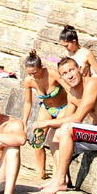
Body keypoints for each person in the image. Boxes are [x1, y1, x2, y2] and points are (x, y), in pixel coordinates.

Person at [37, 57, 97, 194]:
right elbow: (65, 119)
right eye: (65, 73)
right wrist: (46, 127)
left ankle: (60, 180)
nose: (69, 75)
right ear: (61, 78)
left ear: (79, 69)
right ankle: (60, 177)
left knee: (67, 129)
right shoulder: (72, 94)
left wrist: (46, 123)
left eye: (71, 70)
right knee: (53, 134)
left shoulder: (93, 84)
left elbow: (77, 118)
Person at [20, 51, 65, 181]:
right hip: (47, 108)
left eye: (35, 72)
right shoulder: (29, 81)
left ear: (41, 67)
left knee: (58, 136)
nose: (33, 76)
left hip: (63, 106)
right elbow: (28, 102)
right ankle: (41, 170)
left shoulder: (52, 74)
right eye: (29, 73)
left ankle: (59, 170)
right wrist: (24, 122)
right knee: (38, 136)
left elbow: (69, 89)